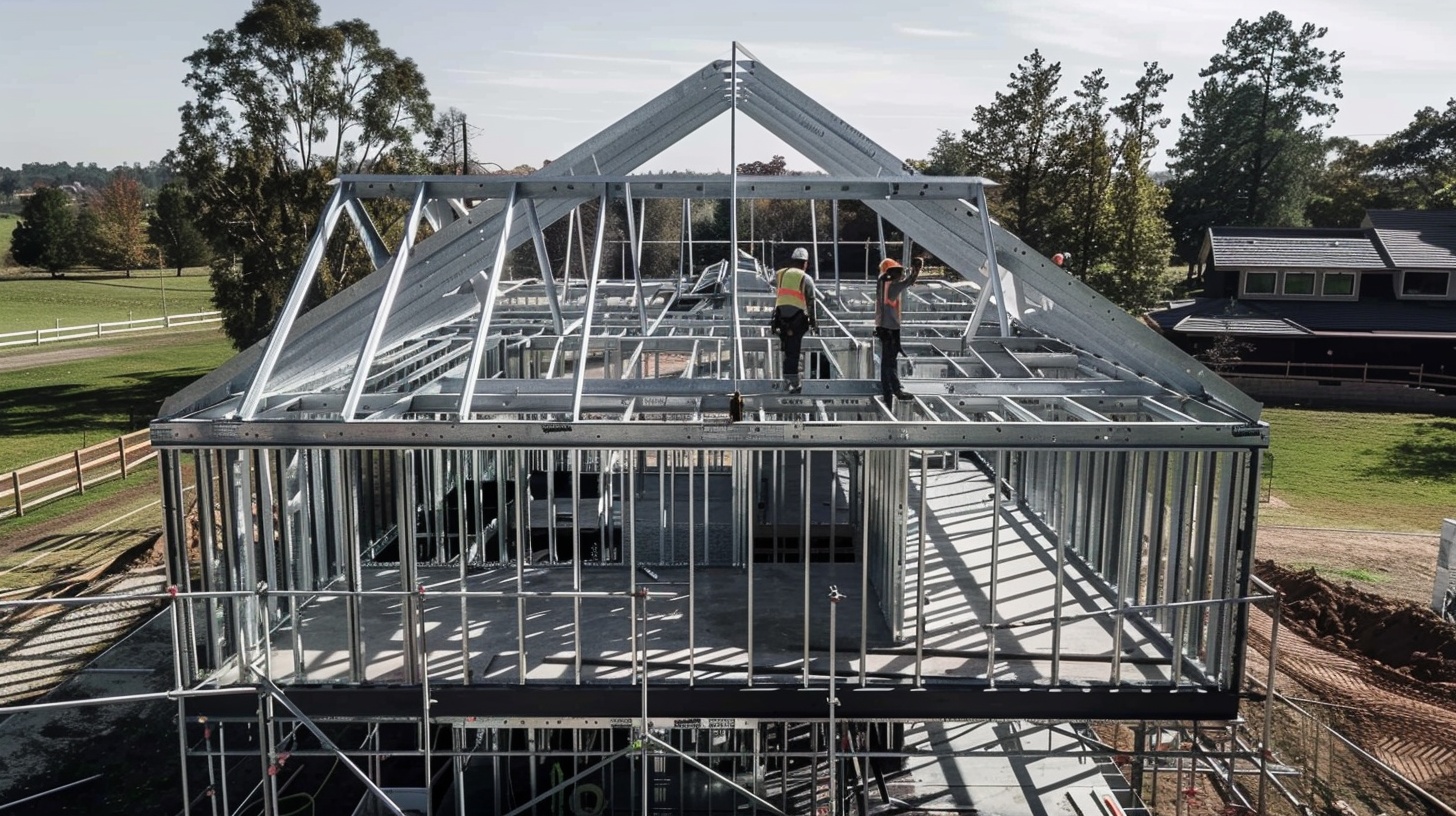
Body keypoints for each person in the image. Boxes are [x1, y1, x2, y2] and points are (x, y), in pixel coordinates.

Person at [875, 256, 923, 401]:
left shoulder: (883, 283)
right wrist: (916, 271)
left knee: (888, 361)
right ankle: (893, 390)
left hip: (885, 328)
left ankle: (890, 390)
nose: (899, 274)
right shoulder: (892, 287)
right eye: (897, 271)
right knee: (889, 362)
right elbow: (908, 282)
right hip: (889, 329)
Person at [773, 247, 818, 393]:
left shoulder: (780, 273)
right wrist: (813, 322)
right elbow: (811, 302)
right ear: (805, 263)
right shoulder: (805, 278)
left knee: (787, 350)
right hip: (796, 319)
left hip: (780, 318)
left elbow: (771, 282)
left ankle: (787, 380)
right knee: (794, 351)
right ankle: (793, 382)